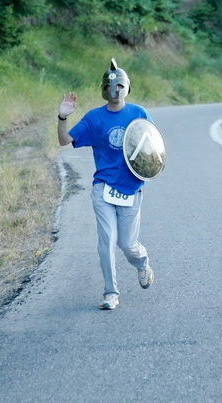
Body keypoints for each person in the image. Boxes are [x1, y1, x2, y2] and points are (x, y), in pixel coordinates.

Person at [56, 58, 154, 310]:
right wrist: (63, 116)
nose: (116, 90)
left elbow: (152, 148)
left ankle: (142, 263)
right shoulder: (94, 118)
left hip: (131, 188)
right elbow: (64, 140)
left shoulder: (139, 114)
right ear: (104, 89)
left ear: (127, 87)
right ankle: (111, 293)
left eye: (120, 85)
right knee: (107, 241)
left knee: (127, 244)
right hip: (103, 188)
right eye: (111, 86)